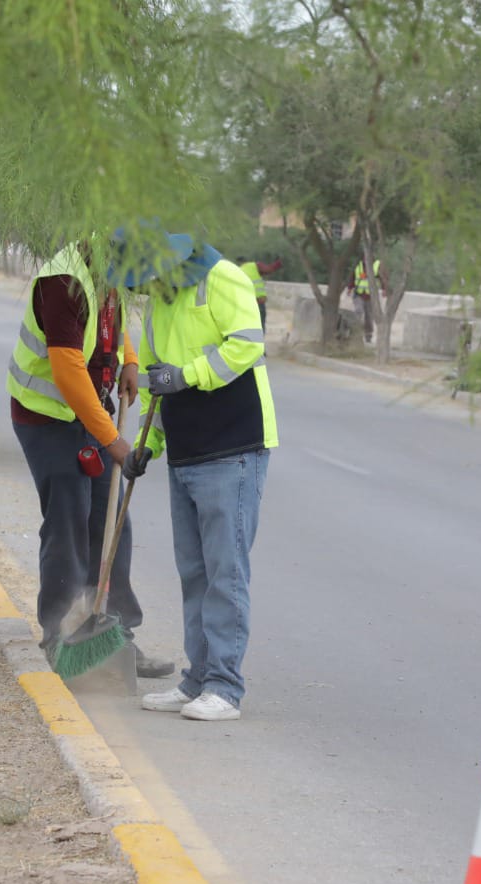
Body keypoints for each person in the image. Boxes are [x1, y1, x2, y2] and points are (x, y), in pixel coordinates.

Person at [109, 230, 276, 722]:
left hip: (233, 445)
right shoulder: (162, 300)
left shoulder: (221, 278)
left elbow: (246, 345)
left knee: (225, 572)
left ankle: (225, 687)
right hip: (185, 450)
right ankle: (197, 680)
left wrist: (189, 375)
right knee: (194, 572)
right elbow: (160, 380)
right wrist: (148, 445)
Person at [7, 241, 174, 678]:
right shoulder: (61, 281)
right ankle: (59, 634)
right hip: (46, 416)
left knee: (111, 520)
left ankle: (117, 638)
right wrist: (116, 441)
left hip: (90, 412)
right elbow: (66, 373)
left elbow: (112, 323)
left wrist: (130, 361)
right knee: (69, 518)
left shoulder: (105, 269)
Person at [232, 256, 283, 332]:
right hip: (259, 301)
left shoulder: (237, 272)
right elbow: (269, 269)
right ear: (247, 261)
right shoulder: (254, 266)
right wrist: (278, 263)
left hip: (245, 304)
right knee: (260, 325)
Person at [349, 256, 383, 342]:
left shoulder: (376, 266)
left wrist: (384, 289)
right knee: (358, 311)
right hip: (359, 294)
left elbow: (383, 278)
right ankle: (355, 333)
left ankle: (368, 335)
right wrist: (349, 288)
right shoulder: (358, 266)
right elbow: (352, 277)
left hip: (370, 296)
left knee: (369, 316)